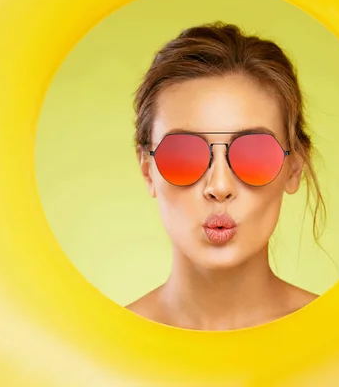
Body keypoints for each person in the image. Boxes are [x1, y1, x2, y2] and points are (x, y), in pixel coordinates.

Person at [126, 22, 326, 331]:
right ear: (147, 170)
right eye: (182, 154)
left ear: (294, 168)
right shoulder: (96, 353)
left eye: (255, 153)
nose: (219, 186)